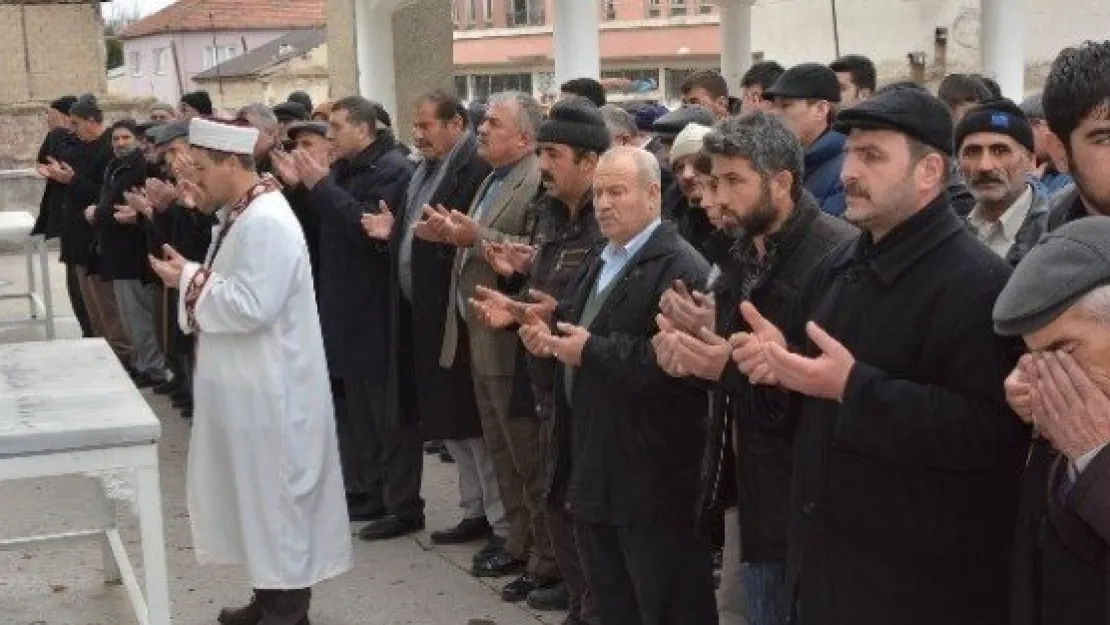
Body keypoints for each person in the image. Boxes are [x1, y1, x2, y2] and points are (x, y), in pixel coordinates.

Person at [732, 86, 1028, 624]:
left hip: (916, 588)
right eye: (849, 152)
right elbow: (798, 408)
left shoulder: (979, 284)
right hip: (824, 571)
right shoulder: (840, 264)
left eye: (872, 156)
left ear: (929, 172)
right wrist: (775, 368)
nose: (849, 172)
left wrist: (854, 387)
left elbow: (990, 435)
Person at [654, 112, 856, 625]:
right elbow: (731, 358)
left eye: (733, 182)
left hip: (811, 508)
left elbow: (834, 390)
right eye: (713, 182)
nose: (714, 199)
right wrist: (698, 347)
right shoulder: (740, 252)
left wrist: (730, 364)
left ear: (782, 181)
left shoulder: (836, 257)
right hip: (752, 496)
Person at [148, 117, 351, 625]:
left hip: (273, 393)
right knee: (256, 499)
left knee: (275, 502)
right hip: (250, 387)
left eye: (200, 169)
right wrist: (194, 275)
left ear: (232, 163)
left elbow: (252, 305)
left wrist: (189, 279)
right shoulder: (243, 212)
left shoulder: (266, 219)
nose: (192, 180)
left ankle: (287, 611)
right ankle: (268, 597)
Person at [518, 146, 717, 625]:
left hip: (652, 474)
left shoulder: (679, 266)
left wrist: (589, 350)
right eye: (599, 192)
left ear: (652, 194)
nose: (603, 203)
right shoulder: (604, 256)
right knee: (612, 602)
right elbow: (585, 325)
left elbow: (675, 364)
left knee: (665, 602)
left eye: (617, 192)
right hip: (596, 461)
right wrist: (546, 328)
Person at [471, 96, 611, 621]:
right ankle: (576, 598)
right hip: (542, 376)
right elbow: (547, 286)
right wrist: (515, 290)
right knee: (551, 493)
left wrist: (550, 316)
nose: (543, 165)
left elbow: (605, 308)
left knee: (581, 507)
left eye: (552, 154)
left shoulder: (608, 220)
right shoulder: (551, 213)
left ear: (589, 162)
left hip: (586, 389)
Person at [1002, 40, 1110, 625]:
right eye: (1106, 136)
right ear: (1060, 153)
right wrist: (1024, 382)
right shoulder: (1042, 251)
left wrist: (1099, 454)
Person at [280, 96, 422, 536]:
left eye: (337, 127)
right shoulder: (345, 169)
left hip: (378, 309)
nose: (331, 135)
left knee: (388, 412)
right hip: (343, 305)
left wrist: (320, 187)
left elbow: (367, 230)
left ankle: (401, 503)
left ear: (364, 130)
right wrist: (302, 190)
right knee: (357, 408)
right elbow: (323, 224)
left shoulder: (393, 170)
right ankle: (368, 489)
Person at [420, 91, 545, 578]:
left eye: (494, 122)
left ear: (524, 136)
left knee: (523, 452)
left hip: (508, 338)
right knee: (500, 448)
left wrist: (477, 237)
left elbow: (535, 250)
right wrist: (453, 233)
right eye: (485, 120)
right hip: (476, 333)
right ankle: (515, 542)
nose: (483, 128)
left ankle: (539, 553)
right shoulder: (493, 177)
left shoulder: (534, 179)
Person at [363, 91, 495, 551]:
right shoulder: (423, 169)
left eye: (426, 126)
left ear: (456, 124)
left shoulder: (472, 169)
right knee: (446, 420)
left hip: (454, 313)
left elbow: (467, 236)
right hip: (421, 313)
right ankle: (473, 508)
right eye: (414, 127)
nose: (417, 136)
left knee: (469, 421)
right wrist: (392, 233)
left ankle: (494, 520)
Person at [40, 94, 136, 371]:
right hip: (79, 237)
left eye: (76, 123)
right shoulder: (76, 146)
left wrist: (71, 180)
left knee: (107, 304)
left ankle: (123, 355)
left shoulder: (108, 152)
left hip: (101, 238)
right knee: (89, 304)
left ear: (94, 122)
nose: (72, 129)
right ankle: (103, 349)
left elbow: (104, 194)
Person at [89, 119, 169, 387]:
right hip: (115, 250)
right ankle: (140, 363)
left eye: (126, 138)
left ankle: (152, 367)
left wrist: (100, 215)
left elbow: (131, 210)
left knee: (139, 313)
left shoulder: (141, 168)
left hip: (132, 251)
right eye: (116, 139)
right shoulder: (114, 165)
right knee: (127, 314)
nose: (121, 143)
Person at [955, 98, 1050, 265]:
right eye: (972, 152)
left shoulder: (1053, 231)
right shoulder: (951, 232)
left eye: (1000, 151)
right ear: (958, 163)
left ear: (1029, 160)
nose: (985, 166)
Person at [33, 95, 92, 337]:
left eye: (50, 113)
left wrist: (60, 129)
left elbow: (70, 163)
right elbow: (42, 164)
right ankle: (87, 330)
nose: (47, 119)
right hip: (67, 218)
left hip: (87, 219)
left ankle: (94, 331)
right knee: (74, 278)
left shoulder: (73, 139)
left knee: (86, 282)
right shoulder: (57, 137)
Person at [764, 63, 847, 216]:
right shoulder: (781, 162)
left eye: (785, 105)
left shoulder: (846, 171)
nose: (773, 114)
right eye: (773, 105)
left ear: (821, 109)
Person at [664, 122, 715, 252]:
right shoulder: (673, 217)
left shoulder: (737, 222)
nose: (687, 175)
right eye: (679, 167)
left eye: (697, 163)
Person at [1020, 92, 1073, 194]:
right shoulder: (1033, 169)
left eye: (1034, 123)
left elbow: (1050, 208)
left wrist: (1031, 184)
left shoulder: (1072, 176)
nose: (1025, 132)